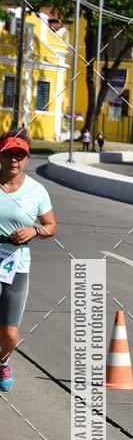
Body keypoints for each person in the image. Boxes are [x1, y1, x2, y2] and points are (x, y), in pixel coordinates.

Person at [0, 133, 57, 391]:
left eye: (19, 154)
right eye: (9, 153)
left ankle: (3, 359)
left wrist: (34, 231)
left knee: (10, 333)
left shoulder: (36, 191)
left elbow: (51, 226)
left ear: (26, 158)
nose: (14, 159)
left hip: (17, 265)